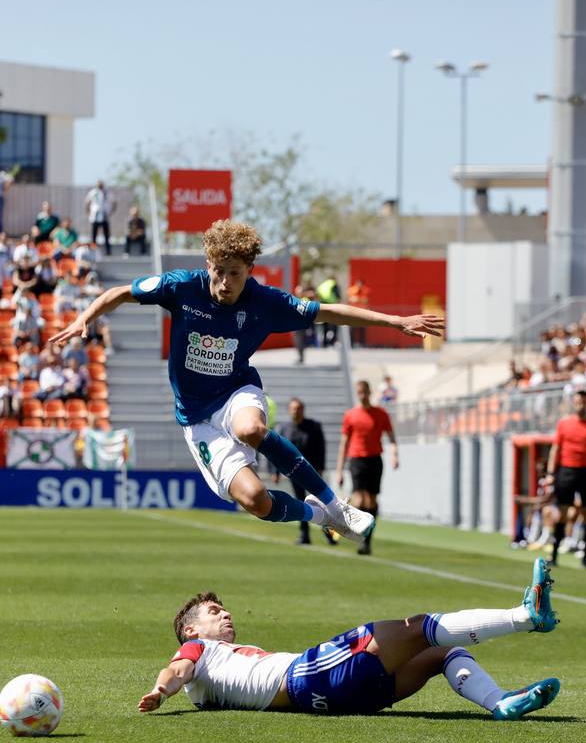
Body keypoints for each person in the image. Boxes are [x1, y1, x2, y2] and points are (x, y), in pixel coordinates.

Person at [48, 218, 442, 539]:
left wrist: (396, 321)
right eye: (218, 272)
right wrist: (85, 318)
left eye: (234, 274)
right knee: (256, 501)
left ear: (249, 271)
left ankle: (337, 504)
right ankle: (322, 517)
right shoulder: (181, 287)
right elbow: (120, 292)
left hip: (237, 391)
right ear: (208, 266)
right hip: (198, 419)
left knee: (251, 428)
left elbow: (330, 312)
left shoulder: (267, 302)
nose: (224, 282)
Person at [139, 560, 561, 719]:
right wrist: (160, 690)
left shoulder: (213, 681)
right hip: (309, 677)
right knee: (419, 627)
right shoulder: (198, 650)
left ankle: (501, 703)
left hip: (338, 700)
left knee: (441, 653)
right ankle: (525, 616)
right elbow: (177, 669)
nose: (226, 613)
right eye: (214, 612)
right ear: (191, 630)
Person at [335, 379, 399, 555]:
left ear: (370, 392)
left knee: (371, 500)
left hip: (374, 459)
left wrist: (395, 454)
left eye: (365, 392)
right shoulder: (351, 415)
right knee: (359, 499)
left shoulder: (380, 413)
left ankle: (367, 540)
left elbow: (391, 436)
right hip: (356, 459)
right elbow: (344, 443)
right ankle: (351, 530)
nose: (362, 396)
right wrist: (340, 470)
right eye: (359, 393)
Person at [547, 389, 586, 569]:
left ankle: (585, 556)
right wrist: (551, 473)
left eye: (584, 401)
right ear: (574, 403)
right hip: (567, 471)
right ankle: (554, 553)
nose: (581, 404)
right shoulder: (564, 424)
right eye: (578, 401)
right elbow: (555, 449)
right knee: (562, 513)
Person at [279, 397, 333, 547]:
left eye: (299, 408)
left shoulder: (314, 426)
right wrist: (275, 471)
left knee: (320, 503)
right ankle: (305, 534)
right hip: (293, 473)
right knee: (300, 502)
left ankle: (330, 534)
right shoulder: (285, 429)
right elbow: (278, 451)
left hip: (312, 472)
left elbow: (321, 448)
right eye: (294, 408)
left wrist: (321, 467)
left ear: (303, 410)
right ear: (289, 410)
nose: (296, 411)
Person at [84, 180, 114, 254]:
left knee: (106, 235)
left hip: (104, 216)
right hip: (95, 216)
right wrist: (88, 213)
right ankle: (93, 251)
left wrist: (110, 212)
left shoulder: (107, 192)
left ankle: (108, 252)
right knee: (94, 235)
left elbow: (114, 202)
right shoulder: (93, 192)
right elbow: (87, 202)